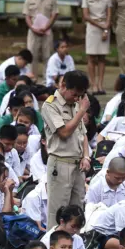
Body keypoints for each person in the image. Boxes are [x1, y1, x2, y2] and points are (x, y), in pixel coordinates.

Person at [42, 70, 91, 228]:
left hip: (78, 164)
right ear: (63, 85)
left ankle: (74, 245)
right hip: (60, 163)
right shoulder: (50, 105)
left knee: (78, 210)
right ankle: (53, 244)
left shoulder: (76, 104)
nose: (77, 98)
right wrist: (82, 111)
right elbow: (64, 132)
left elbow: (83, 134)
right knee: (58, 211)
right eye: (75, 94)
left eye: (80, 95)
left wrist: (86, 156)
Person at [22, 0, 58, 80]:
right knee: (32, 56)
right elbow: (27, 16)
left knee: (48, 56)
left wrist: (46, 27)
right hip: (33, 32)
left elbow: (54, 14)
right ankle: (32, 80)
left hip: (47, 31)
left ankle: (47, 81)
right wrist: (33, 28)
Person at [82, 0, 111, 95]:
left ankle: (100, 84)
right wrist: (101, 26)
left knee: (102, 58)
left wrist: (105, 29)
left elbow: (109, 15)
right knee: (92, 58)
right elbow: (86, 16)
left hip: (104, 27)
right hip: (92, 29)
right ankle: (93, 84)